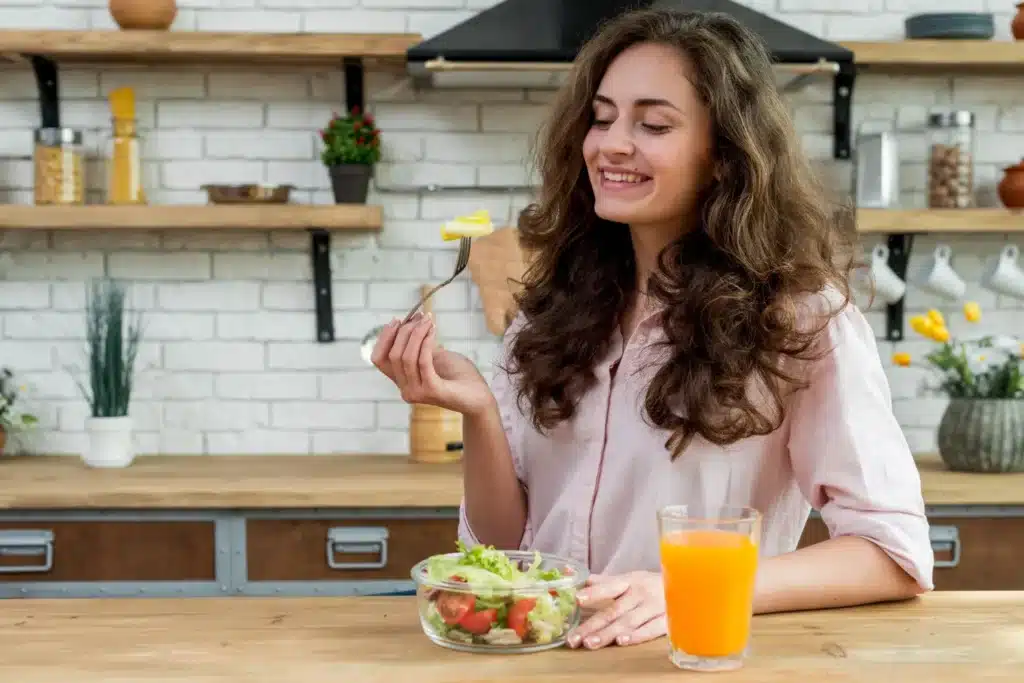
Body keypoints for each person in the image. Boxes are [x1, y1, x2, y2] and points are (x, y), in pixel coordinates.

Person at [371, 8, 933, 652]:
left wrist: (688, 586)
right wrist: (479, 412)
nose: (610, 143)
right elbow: (508, 553)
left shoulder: (799, 319)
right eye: (603, 118)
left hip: (683, 657)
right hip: (540, 660)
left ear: (725, 156)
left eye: (654, 124)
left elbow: (894, 553)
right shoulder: (552, 305)